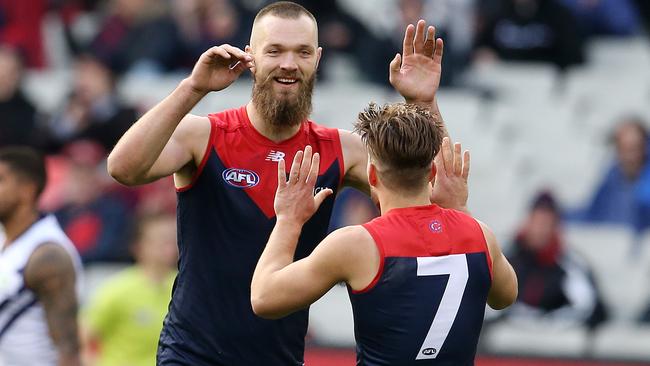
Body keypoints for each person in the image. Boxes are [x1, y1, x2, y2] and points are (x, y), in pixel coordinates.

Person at [107, 1, 459, 364]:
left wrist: (423, 102)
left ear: (317, 59)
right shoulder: (205, 134)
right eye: (274, 51)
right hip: (191, 355)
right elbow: (123, 168)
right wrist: (193, 88)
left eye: (302, 52)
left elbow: (436, 204)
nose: (289, 63)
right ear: (250, 57)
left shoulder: (341, 149)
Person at [251, 103, 518, 365]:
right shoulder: (480, 234)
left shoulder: (358, 245)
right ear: (432, 172)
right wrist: (459, 209)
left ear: (371, 175)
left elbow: (264, 298)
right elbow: (505, 296)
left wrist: (288, 220)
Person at [0, 147, 83, 366]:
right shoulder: (6, 242)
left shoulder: (48, 255)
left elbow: (69, 349)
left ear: (27, 190)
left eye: (0, 180)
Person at [82, 212, 177, 366]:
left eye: (172, 240)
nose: (168, 247)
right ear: (139, 246)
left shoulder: (184, 287)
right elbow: (83, 335)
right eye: (160, 241)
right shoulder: (118, 288)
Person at [506, 191, 607, 329]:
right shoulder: (509, 260)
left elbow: (588, 308)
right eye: (537, 222)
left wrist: (547, 321)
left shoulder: (569, 264)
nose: (540, 230)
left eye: (546, 223)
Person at [572, 118, 650, 233]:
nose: (630, 156)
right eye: (624, 148)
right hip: (611, 247)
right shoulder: (612, 179)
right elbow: (592, 214)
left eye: (635, 148)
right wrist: (555, 215)